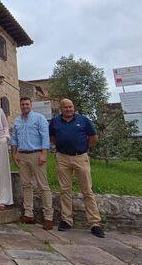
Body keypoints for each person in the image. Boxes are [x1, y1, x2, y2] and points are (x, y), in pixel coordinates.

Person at [49, 98, 105, 238]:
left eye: (71, 107)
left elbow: (93, 137)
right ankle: (66, 220)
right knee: (64, 190)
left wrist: (83, 148)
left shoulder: (84, 120)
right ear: (60, 109)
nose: (69, 109)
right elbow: (53, 137)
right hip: (62, 157)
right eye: (66, 107)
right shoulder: (55, 121)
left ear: (73, 107)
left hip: (80, 157)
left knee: (87, 190)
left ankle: (94, 223)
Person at [11, 97, 53, 230]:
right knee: (26, 185)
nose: (25, 106)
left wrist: (44, 153)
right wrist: (14, 154)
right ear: (20, 106)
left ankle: (48, 217)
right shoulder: (17, 120)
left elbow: (45, 136)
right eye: (22, 104)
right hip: (22, 155)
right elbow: (14, 138)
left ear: (31, 105)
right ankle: (28, 214)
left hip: (36, 154)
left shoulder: (39, 118)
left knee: (43, 186)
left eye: (27, 104)